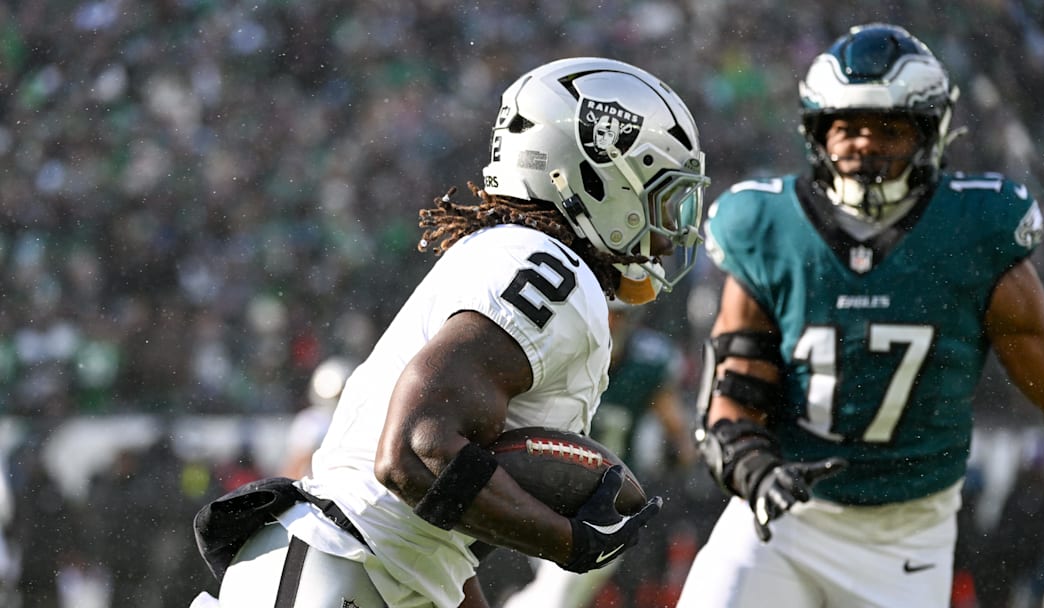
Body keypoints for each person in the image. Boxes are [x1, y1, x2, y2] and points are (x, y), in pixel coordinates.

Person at [188, 56, 710, 608]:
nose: (669, 236)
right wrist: (570, 542)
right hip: (343, 562)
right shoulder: (555, 273)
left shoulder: (518, 257)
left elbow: (437, 525)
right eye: (662, 198)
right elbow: (415, 452)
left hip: (366, 568)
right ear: (598, 178)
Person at [678, 23, 1044, 608]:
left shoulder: (973, 231)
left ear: (929, 134)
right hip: (782, 523)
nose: (864, 145)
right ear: (817, 133)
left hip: (906, 537)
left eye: (888, 128)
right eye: (847, 127)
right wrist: (753, 468)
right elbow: (732, 394)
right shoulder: (771, 228)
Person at [501, 301, 697, 608]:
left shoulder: (648, 362)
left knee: (561, 595)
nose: (610, 322)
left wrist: (667, 454)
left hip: (607, 504)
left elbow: (681, 444)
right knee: (558, 595)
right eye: (605, 311)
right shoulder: (561, 350)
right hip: (545, 491)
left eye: (619, 314)